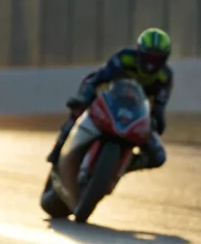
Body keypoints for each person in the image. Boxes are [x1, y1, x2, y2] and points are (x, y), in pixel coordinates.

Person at [46, 27, 173, 174]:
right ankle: (58, 148)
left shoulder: (165, 76)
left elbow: (159, 106)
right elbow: (97, 79)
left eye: (157, 59)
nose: (151, 64)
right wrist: (84, 99)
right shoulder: (125, 57)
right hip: (108, 100)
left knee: (159, 157)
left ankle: (124, 167)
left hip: (135, 113)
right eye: (148, 57)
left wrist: (157, 122)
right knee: (78, 109)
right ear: (139, 52)